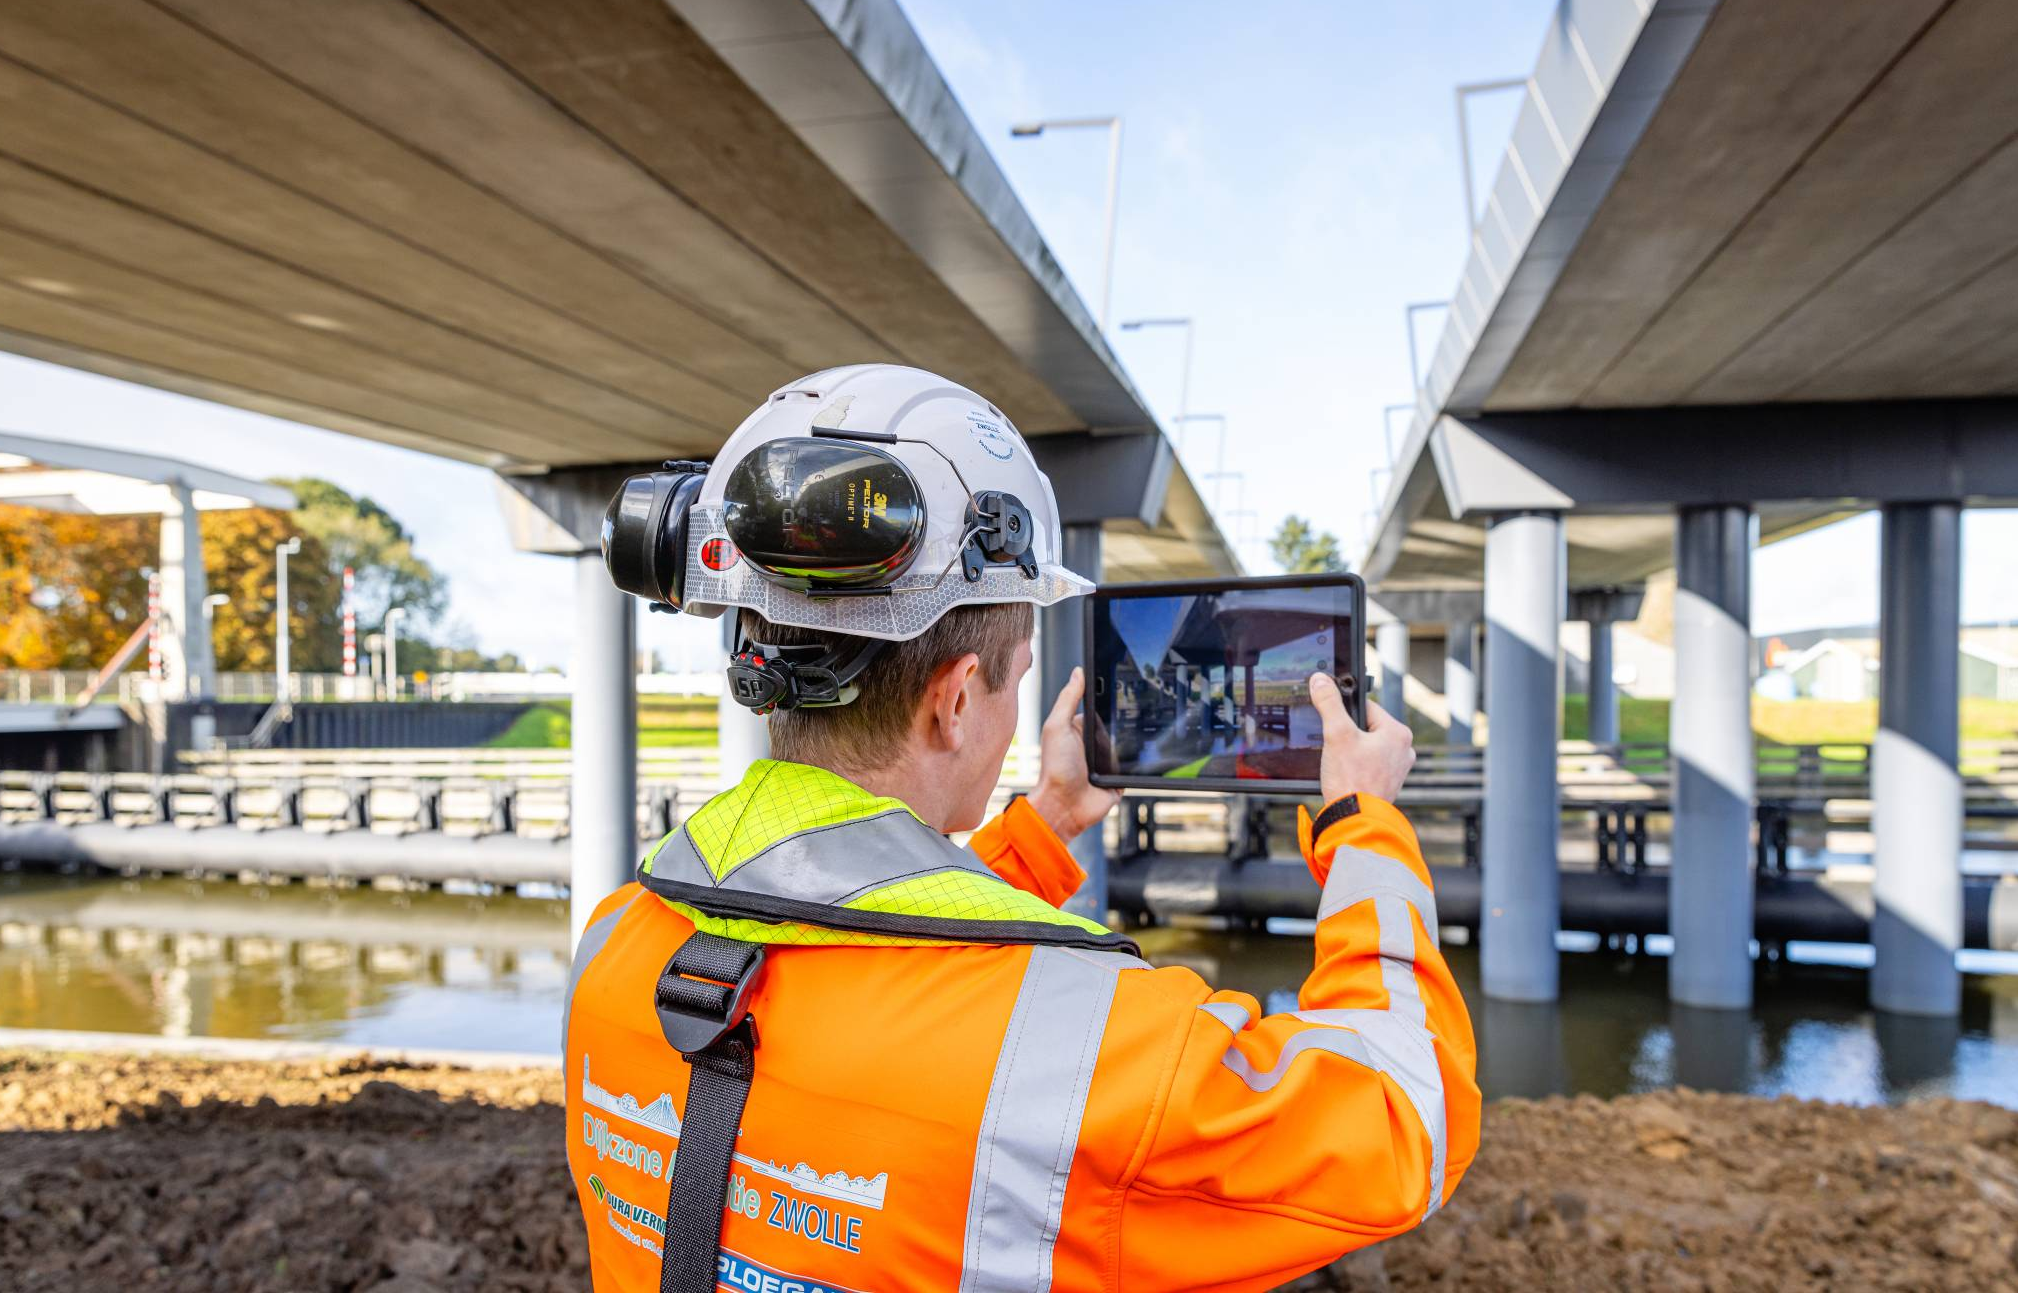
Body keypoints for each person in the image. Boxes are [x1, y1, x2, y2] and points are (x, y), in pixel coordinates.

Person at [566, 365, 1479, 1292]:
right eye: (1016, 678)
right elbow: (1407, 1120)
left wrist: (1045, 825)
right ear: (958, 699)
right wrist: (1363, 826)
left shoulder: (613, 949)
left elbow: (860, 934)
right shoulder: (1093, 1053)